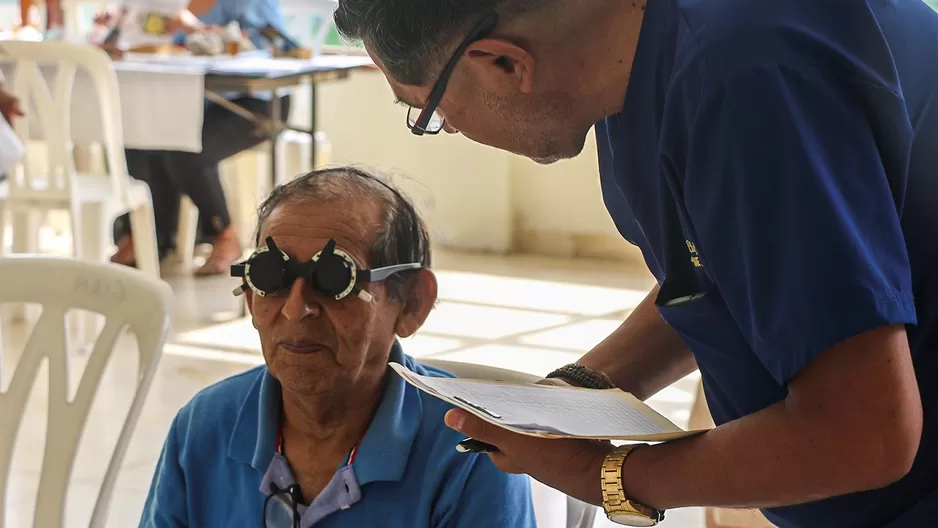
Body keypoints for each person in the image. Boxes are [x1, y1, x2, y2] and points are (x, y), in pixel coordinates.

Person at [334, 0, 938, 527]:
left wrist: (609, 478)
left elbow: (865, 435)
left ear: (505, 63)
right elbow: (723, 271)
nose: (451, 131)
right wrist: (571, 398)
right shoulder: (633, 66)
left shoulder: (743, 76)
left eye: (430, 111)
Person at [138, 167, 536, 528]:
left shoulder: (470, 451)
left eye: (333, 277)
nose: (296, 310)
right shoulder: (205, 426)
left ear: (412, 303)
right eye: (269, 275)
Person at [106, 0, 292, 275]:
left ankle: (224, 236)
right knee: (139, 137)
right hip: (198, 103)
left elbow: (280, 44)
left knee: (184, 150)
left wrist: (207, 30)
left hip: (258, 104)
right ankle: (149, 238)